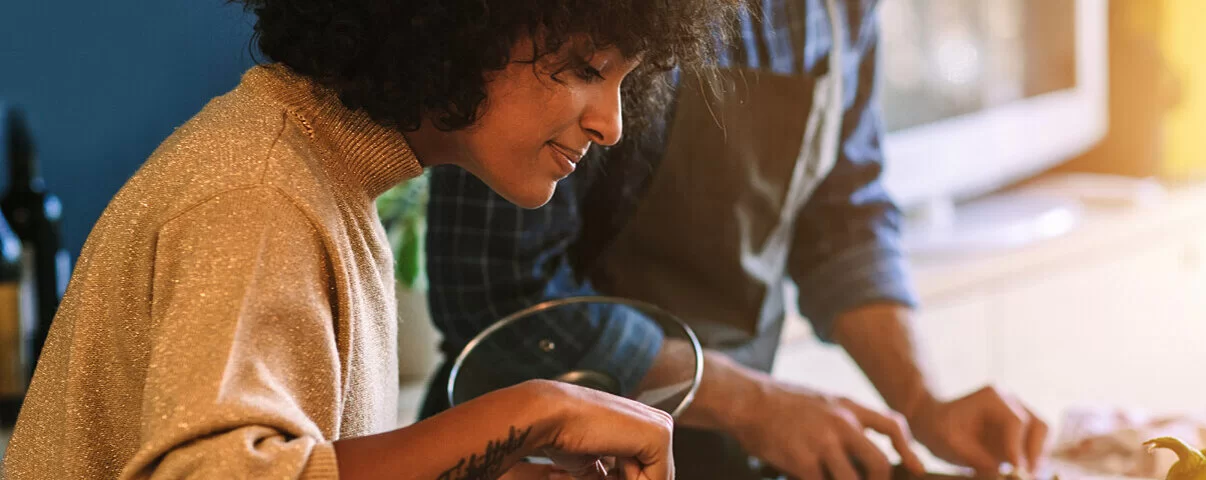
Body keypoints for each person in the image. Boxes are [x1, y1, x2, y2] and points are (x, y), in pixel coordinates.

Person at [1, 0, 737, 478]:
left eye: (623, 82)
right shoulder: (258, 193)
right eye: (585, 70)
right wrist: (532, 411)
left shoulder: (324, 176)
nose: (612, 122)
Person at [423, 0, 1050, 479]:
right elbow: (500, 290)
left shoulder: (840, 12)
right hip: (538, 461)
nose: (608, 122)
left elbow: (843, 218)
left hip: (725, 449)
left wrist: (923, 401)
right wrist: (751, 405)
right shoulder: (565, 31)